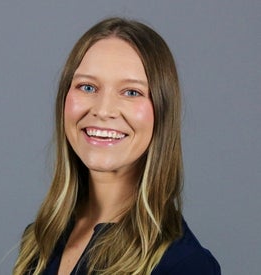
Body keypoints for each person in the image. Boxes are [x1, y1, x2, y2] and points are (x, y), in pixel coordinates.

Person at [13, 17, 221, 275]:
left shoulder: (183, 264)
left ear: (162, 113)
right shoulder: (39, 241)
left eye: (131, 92)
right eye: (87, 87)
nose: (103, 110)